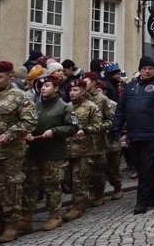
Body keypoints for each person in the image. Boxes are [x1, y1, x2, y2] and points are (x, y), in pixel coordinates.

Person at [112, 56, 154, 215]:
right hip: (134, 134)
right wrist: (116, 126)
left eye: (150, 68)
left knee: (146, 167)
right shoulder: (131, 87)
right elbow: (121, 109)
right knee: (140, 165)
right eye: (144, 68)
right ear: (140, 70)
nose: (147, 71)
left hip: (152, 133)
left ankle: (142, 201)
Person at [19, 76, 76, 232]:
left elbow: (73, 127)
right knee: (30, 185)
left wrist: (55, 131)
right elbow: (28, 124)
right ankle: (26, 218)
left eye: (47, 85)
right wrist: (28, 134)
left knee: (52, 186)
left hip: (54, 153)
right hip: (34, 152)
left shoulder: (64, 107)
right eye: (41, 86)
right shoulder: (35, 106)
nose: (43, 88)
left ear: (56, 88)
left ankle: (54, 216)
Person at [0, 61, 37, 242]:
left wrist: (10, 134)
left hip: (10, 154)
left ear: (10, 77)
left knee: (10, 188)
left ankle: (11, 225)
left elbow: (30, 122)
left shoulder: (20, 97)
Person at [62, 79, 103, 222]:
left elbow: (98, 127)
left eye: (76, 90)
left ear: (83, 91)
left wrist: (85, 130)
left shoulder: (91, 107)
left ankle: (78, 207)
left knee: (79, 178)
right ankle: (79, 200)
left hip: (84, 149)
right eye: (71, 90)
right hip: (68, 149)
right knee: (68, 179)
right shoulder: (66, 107)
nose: (72, 93)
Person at [83, 71, 122, 202]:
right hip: (88, 140)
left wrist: (105, 128)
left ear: (94, 83)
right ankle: (96, 193)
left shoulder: (103, 100)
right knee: (93, 169)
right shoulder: (83, 99)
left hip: (105, 140)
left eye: (86, 82)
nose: (83, 85)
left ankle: (117, 187)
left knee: (112, 168)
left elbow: (112, 119)